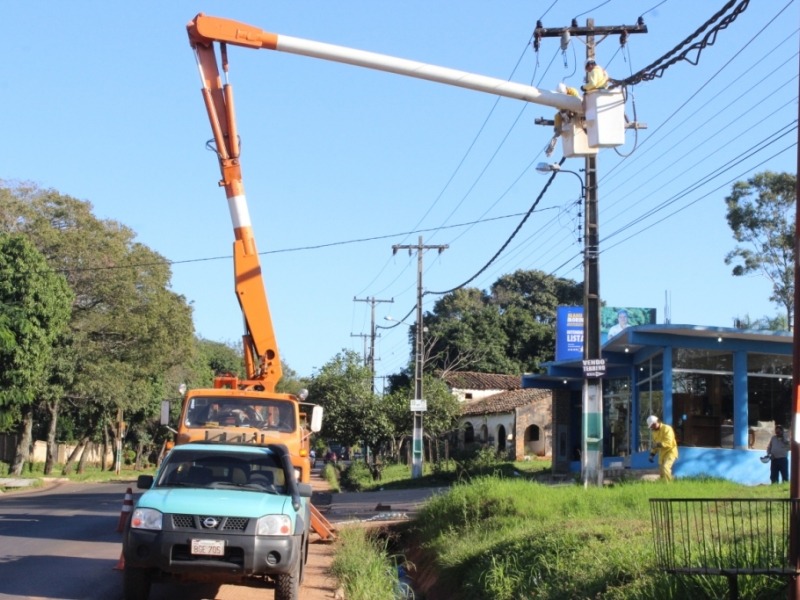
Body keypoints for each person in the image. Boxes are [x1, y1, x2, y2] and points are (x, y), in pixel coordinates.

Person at [545, 83, 581, 157]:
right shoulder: (558, 96)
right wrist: (563, 111)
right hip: (566, 110)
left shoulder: (573, 92)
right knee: (557, 116)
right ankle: (557, 129)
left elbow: (577, 101)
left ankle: (567, 120)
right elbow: (558, 106)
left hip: (574, 109)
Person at [647, 415, 679, 481]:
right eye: (651, 426)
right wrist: (652, 454)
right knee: (662, 473)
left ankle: (669, 486)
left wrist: (657, 445)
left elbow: (669, 442)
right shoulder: (654, 433)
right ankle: (663, 486)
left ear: (657, 421)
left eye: (653, 425)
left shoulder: (667, 428)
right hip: (662, 454)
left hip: (670, 452)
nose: (652, 427)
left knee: (666, 467)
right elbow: (655, 445)